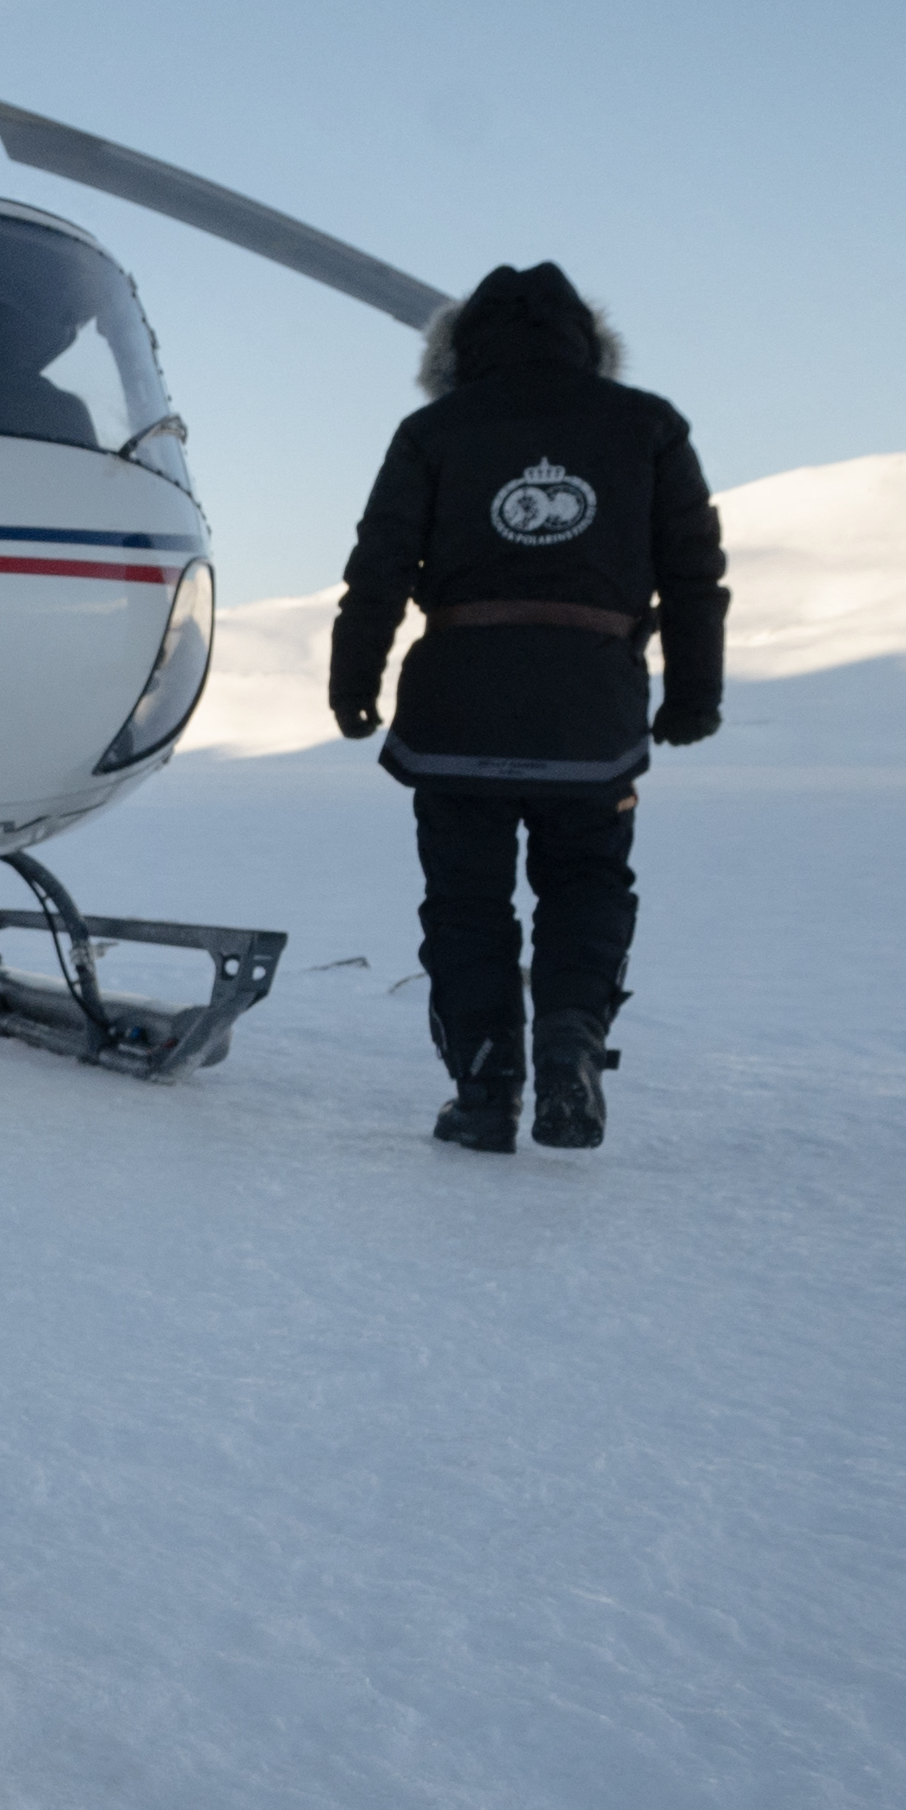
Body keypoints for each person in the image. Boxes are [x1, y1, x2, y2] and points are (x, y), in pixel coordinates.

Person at [327, 261, 728, 1153]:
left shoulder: (431, 431)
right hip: (592, 716)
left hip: (456, 715)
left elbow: (379, 571)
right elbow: (695, 575)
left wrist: (354, 683)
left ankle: (483, 1087)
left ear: (457, 353)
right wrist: (693, 693)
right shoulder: (650, 427)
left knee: (467, 901)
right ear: (590, 343)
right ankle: (569, 1050)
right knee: (586, 882)